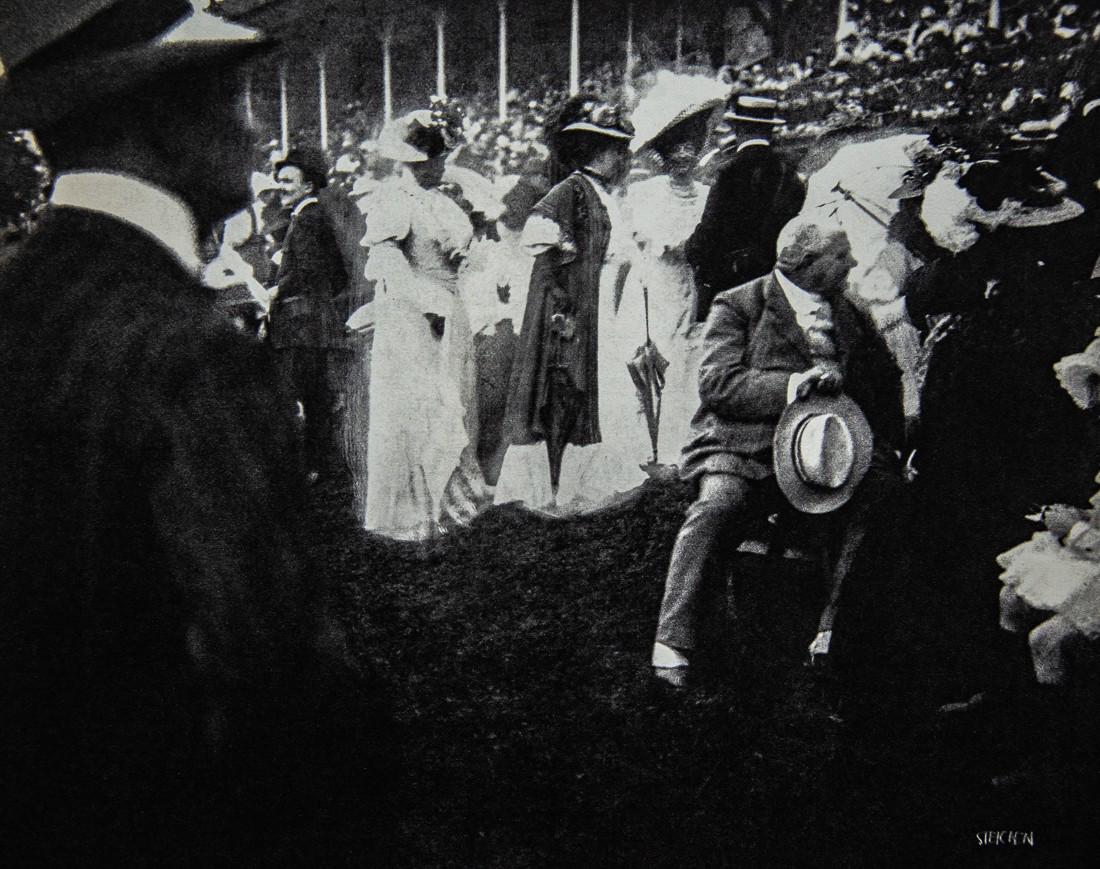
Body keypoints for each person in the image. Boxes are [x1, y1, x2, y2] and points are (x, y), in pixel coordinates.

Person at [0, 2, 391, 861]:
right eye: (237, 98)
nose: (256, 132)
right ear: (159, 112)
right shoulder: (194, 349)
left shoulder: (20, 303)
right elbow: (280, 680)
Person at [651, 218, 904, 689]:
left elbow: (886, 382)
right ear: (805, 262)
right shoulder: (739, 304)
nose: (851, 263)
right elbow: (718, 384)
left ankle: (832, 629)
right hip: (745, 443)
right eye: (840, 255)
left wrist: (888, 445)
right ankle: (673, 641)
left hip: (832, 448)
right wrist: (792, 385)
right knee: (719, 504)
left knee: (881, 494)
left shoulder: (851, 312)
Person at [496, 95, 652, 513]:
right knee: (577, 392)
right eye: (620, 151)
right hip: (585, 308)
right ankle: (569, 487)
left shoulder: (602, 194)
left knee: (608, 389)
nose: (625, 159)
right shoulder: (572, 190)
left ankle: (598, 481)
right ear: (602, 153)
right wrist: (568, 252)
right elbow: (536, 232)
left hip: (609, 307)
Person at [347, 101, 477, 541]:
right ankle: (410, 513)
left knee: (450, 399)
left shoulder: (439, 201)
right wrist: (429, 303)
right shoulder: (393, 202)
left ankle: (448, 502)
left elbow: (459, 254)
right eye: (431, 160)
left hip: (449, 307)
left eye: (441, 158)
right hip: (413, 316)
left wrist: (459, 267)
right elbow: (386, 263)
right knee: (415, 406)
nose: (439, 166)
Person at [626, 92, 718, 465]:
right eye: (676, 148)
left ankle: (688, 444)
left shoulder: (709, 195)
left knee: (693, 356)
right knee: (658, 354)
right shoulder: (644, 193)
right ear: (663, 155)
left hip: (695, 284)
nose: (683, 155)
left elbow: (713, 236)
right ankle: (652, 447)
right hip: (658, 284)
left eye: (690, 147)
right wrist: (682, 247)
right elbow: (651, 239)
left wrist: (700, 251)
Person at [267, 146, 350, 479]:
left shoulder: (309, 218)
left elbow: (310, 271)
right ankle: (318, 463)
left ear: (308, 185)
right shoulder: (309, 217)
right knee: (315, 396)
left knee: (301, 395)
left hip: (302, 322)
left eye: (289, 181)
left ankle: (311, 465)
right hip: (312, 319)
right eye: (280, 180)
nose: (281, 187)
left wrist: (278, 289)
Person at [686, 95, 806, 322]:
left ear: (737, 128)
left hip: (735, 280)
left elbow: (709, 231)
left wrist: (691, 250)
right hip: (779, 277)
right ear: (770, 130)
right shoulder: (789, 172)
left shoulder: (729, 172)